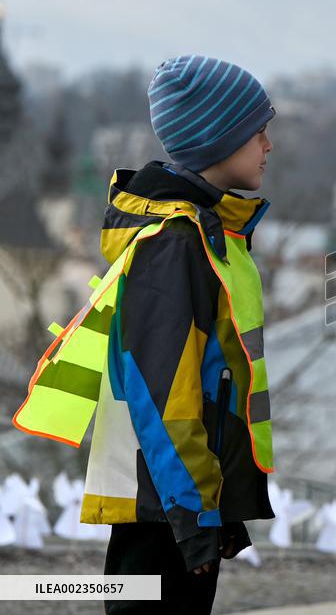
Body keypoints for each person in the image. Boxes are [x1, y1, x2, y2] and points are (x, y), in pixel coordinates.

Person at [32, 54, 277, 613]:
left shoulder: (210, 235)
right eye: (259, 132)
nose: (269, 146)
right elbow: (164, 394)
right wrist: (193, 514)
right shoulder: (174, 244)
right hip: (164, 509)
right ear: (220, 139)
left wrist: (222, 506)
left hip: (179, 501)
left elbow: (214, 381)